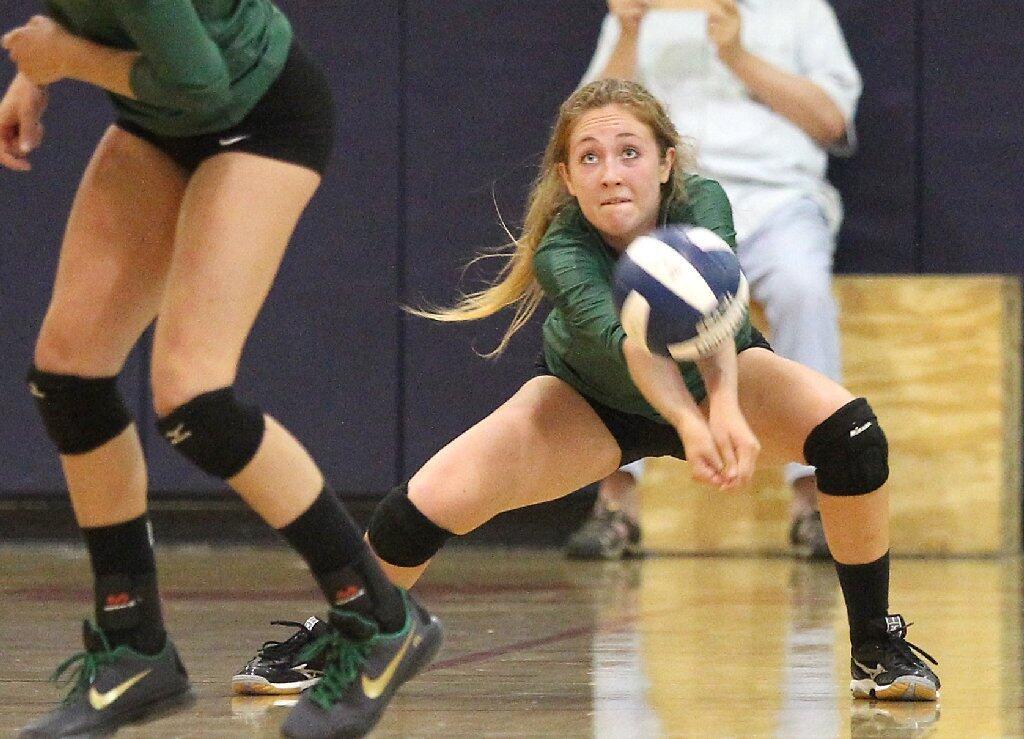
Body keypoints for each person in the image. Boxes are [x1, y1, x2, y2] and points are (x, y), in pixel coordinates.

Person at [245, 78, 939, 704]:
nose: (611, 174)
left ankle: (876, 645)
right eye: (590, 157)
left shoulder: (701, 200)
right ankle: (344, 636)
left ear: (667, 162)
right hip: (590, 401)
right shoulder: (562, 246)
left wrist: (722, 407)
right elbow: (632, 346)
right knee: (423, 502)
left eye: (629, 152)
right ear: (567, 177)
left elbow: (719, 314)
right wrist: (690, 427)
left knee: (852, 435)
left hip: (712, 371)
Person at [1, 4, 440, 737]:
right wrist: (32, 75)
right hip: (159, 115)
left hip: (256, 113)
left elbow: (200, 82)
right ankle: (133, 643)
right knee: (69, 375)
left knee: (193, 396)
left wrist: (64, 59)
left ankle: (379, 619)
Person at [565, 0, 863, 561]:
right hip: (668, 201)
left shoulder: (800, 10)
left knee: (803, 289)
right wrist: (629, 33)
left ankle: (814, 502)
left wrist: (738, 54)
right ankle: (616, 502)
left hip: (775, 197)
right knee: (626, 299)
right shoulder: (641, 9)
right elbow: (582, 123)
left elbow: (831, 121)